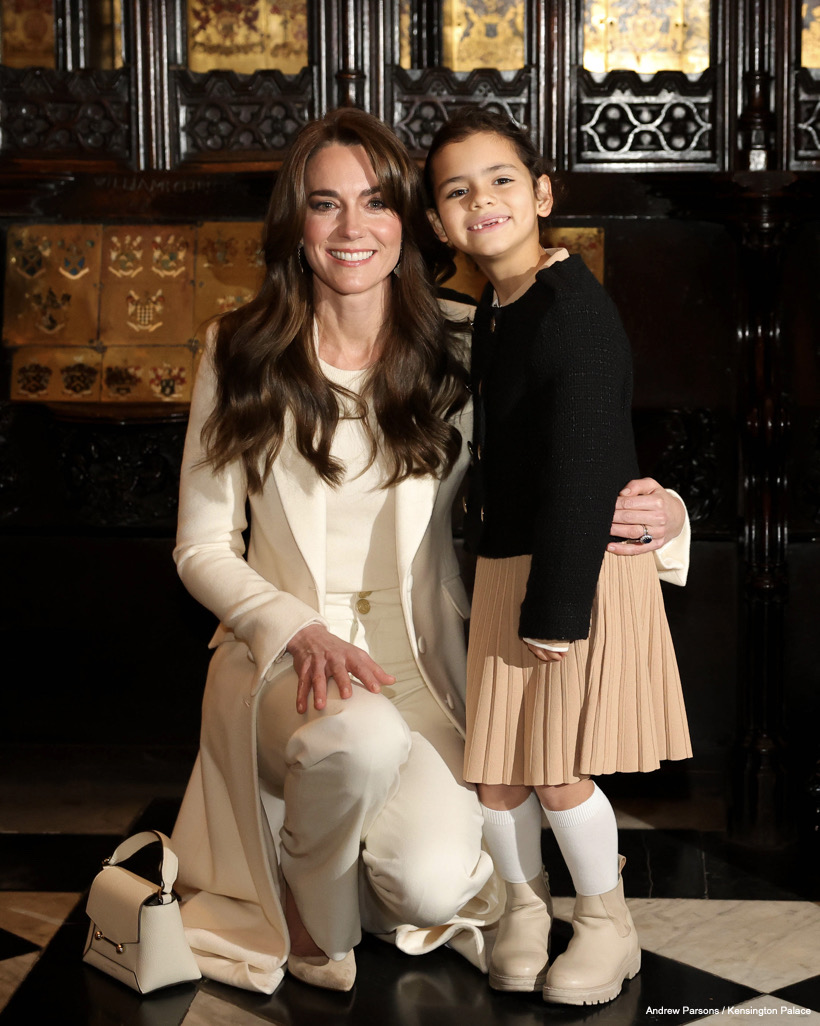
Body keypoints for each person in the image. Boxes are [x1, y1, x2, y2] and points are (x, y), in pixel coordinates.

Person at [170, 107, 691, 998]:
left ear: (410, 221)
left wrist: (666, 516)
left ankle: (335, 856)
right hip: (280, 666)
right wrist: (293, 627)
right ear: (295, 222)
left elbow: (561, 442)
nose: (351, 228)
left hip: (424, 666)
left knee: (434, 883)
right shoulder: (240, 349)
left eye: (374, 203)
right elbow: (200, 545)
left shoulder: (461, 337)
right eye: (324, 204)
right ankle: (310, 913)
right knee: (358, 743)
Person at [424, 106, 692, 1007]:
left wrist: (557, 611)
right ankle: (523, 907)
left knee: (555, 766)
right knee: (497, 769)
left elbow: (584, 463)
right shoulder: (499, 307)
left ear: (542, 193)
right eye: (457, 191)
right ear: (436, 220)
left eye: (502, 180)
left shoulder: (573, 308)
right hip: (510, 563)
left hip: (566, 572)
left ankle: (608, 925)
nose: (482, 202)